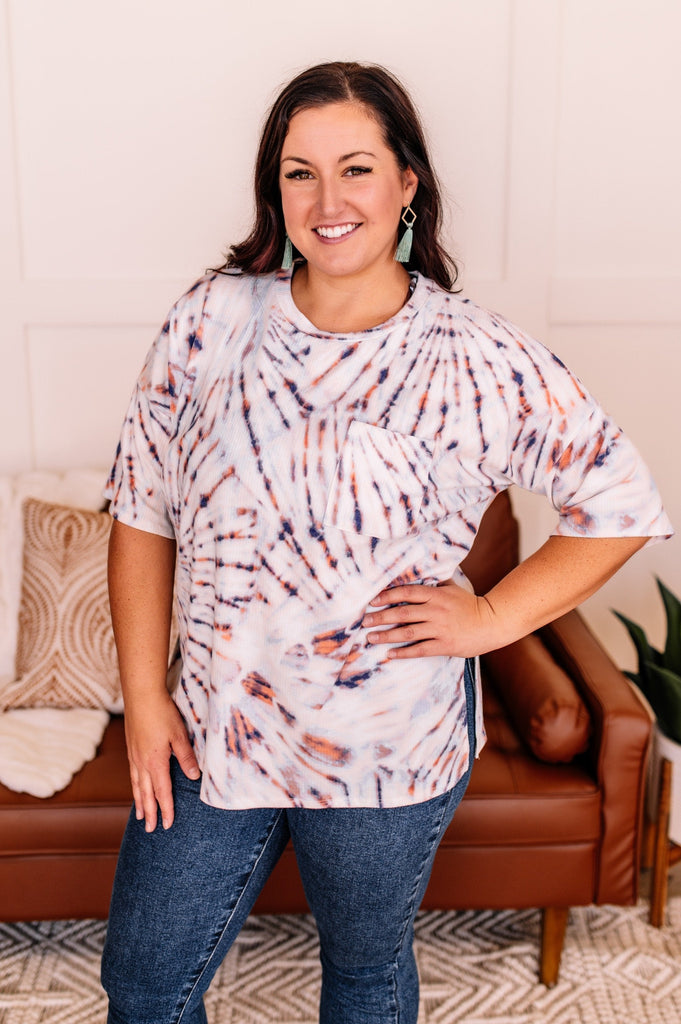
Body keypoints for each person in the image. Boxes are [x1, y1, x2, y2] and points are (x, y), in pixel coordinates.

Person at [100, 61, 672, 1024]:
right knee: (144, 987)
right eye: (300, 173)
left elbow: (620, 500)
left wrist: (489, 619)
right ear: (275, 188)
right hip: (212, 730)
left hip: (384, 749)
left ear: (407, 181)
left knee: (364, 977)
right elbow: (141, 509)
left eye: (355, 168)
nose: (327, 201)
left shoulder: (476, 355)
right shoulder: (211, 318)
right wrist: (146, 700)